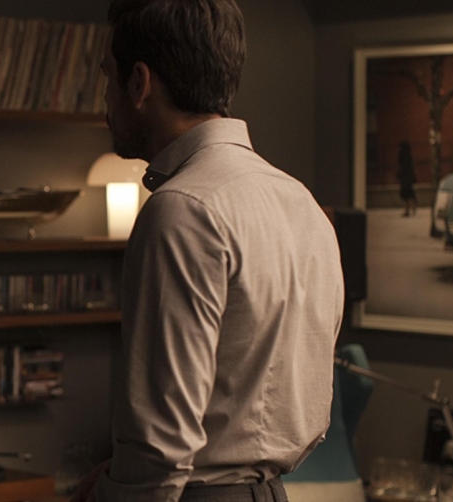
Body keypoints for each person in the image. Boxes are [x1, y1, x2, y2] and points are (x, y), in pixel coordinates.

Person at [73, 1, 345, 501]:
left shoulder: (181, 209)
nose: (105, 99)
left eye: (108, 77)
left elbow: (160, 446)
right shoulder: (302, 203)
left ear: (140, 83)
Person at [397, 141, 417, 217]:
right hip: (408, 177)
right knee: (409, 193)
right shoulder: (408, 156)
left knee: (405, 194)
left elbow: (402, 167)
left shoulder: (402, 156)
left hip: (405, 177)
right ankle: (412, 205)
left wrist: (399, 174)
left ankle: (408, 210)